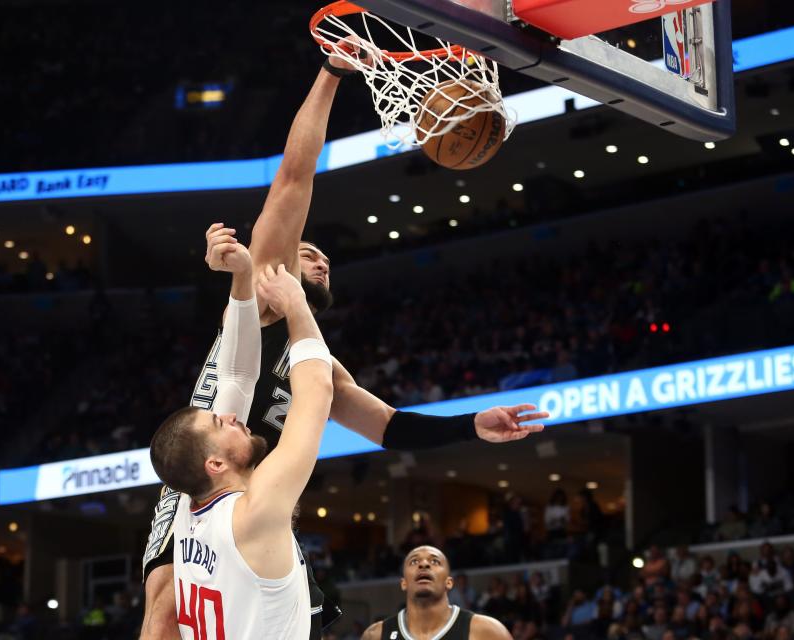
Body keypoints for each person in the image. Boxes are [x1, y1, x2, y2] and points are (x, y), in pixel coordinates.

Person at [140, 44, 549, 640]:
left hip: (261, 505)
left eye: (324, 254)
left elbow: (389, 428)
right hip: (211, 489)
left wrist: (470, 425)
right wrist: (332, 74)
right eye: (307, 251)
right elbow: (294, 177)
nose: (320, 256)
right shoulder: (260, 314)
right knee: (164, 605)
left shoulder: (322, 367)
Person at [149, 241, 333, 639]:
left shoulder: (188, 512)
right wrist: (297, 305)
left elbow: (235, 376)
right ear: (214, 464)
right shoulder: (257, 510)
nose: (232, 416)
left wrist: (243, 277)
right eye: (220, 423)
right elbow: (317, 390)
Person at [361, 546, 512, 640]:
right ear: (404, 583)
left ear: (449, 582)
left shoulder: (486, 631)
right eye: (414, 561)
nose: (424, 564)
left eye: (435, 561)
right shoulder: (376, 635)